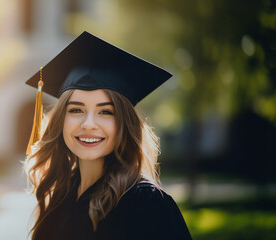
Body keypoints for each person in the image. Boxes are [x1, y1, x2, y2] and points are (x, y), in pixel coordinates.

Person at [23, 31, 192, 240]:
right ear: (60, 121)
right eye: (76, 110)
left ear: (124, 123)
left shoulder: (145, 203)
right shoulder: (61, 197)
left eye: (105, 111)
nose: (89, 124)